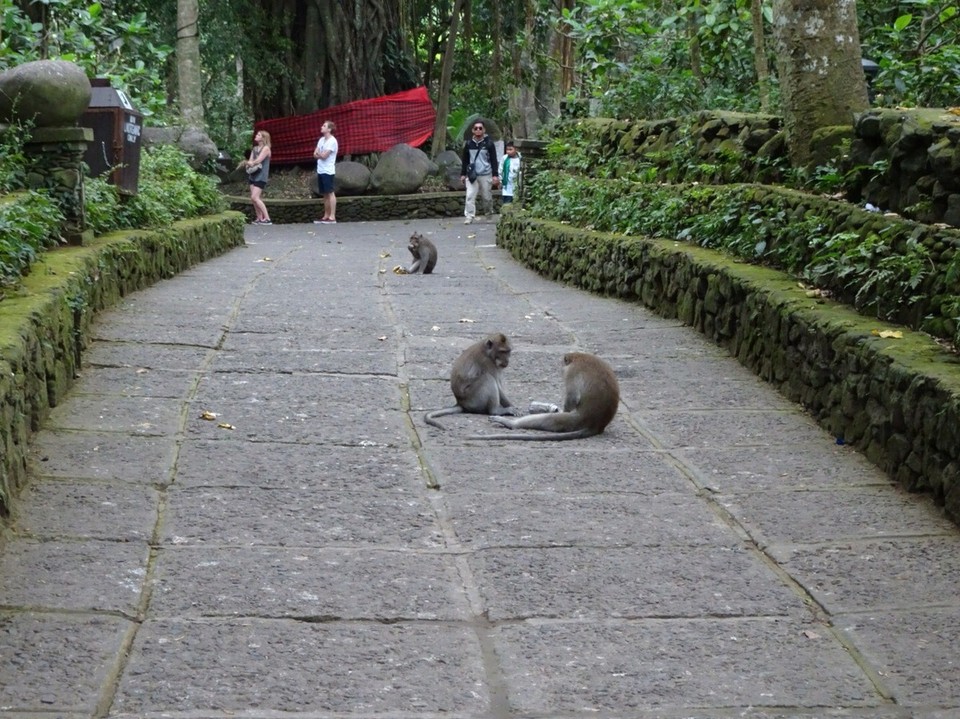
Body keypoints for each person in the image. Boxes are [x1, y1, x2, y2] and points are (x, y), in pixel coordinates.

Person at [460, 120, 499, 224]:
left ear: (484, 130)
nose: (478, 130)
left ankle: (488, 215)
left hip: (486, 174)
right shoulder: (468, 144)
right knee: (470, 196)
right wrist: (463, 174)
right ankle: (469, 216)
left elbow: (494, 160)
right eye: (476, 128)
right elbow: (465, 160)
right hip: (472, 175)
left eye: (480, 128)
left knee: (486, 197)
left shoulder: (489, 144)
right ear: (473, 130)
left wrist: (495, 175)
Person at [243, 130, 272, 225]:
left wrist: (251, 163)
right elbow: (251, 160)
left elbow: (258, 160)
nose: (256, 136)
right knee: (253, 198)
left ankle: (267, 218)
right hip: (253, 174)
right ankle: (259, 217)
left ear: (263, 138)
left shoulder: (266, 148)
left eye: (258, 135)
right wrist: (250, 163)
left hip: (261, 175)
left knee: (255, 197)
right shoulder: (255, 149)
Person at [313, 120, 338, 224]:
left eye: (324, 126)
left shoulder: (332, 141)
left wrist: (319, 154)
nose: (321, 127)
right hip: (321, 169)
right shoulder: (321, 140)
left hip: (328, 170)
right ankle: (326, 215)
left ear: (329, 129)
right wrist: (319, 154)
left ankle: (332, 216)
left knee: (330, 192)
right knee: (325, 194)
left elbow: (324, 156)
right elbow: (315, 154)